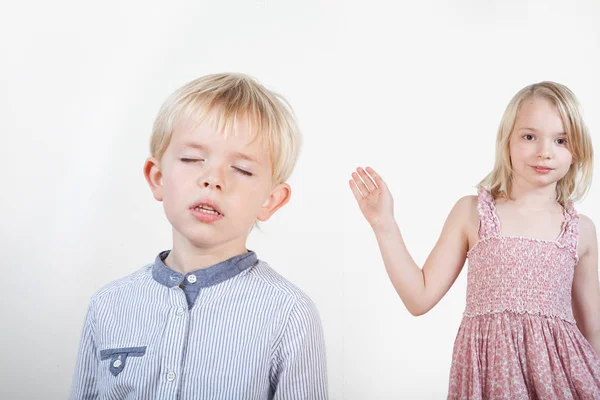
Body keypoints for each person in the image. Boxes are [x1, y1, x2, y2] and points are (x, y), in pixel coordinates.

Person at [70, 73, 328, 399]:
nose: (212, 179)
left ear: (271, 200)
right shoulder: (108, 306)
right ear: (158, 177)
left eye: (242, 169)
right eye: (193, 159)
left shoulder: (289, 315)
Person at [350, 81, 600, 398]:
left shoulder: (581, 229)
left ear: (577, 151)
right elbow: (419, 297)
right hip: (490, 379)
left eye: (561, 140)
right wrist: (383, 223)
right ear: (506, 142)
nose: (544, 151)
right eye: (529, 136)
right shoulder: (472, 213)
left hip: (560, 382)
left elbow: (592, 330)